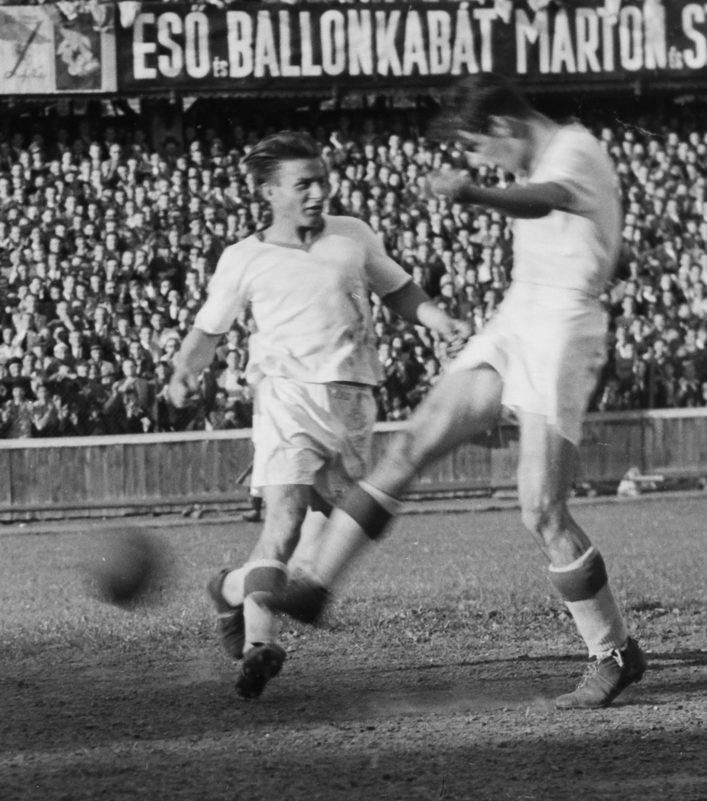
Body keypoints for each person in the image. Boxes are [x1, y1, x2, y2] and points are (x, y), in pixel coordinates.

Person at [271, 74, 646, 709]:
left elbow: (544, 198)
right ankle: (314, 584)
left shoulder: (575, 149)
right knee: (412, 443)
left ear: (502, 128)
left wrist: (473, 192)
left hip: (565, 329)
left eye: (476, 148)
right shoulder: (542, 153)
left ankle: (613, 652)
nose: (476, 163)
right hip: (519, 317)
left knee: (541, 510)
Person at [167, 131, 468, 700]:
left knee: (328, 535)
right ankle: (259, 645)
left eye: (322, 180)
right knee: (283, 521)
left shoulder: (352, 235)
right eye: (303, 184)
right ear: (269, 192)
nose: (317, 192)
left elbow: (399, 290)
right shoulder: (244, 258)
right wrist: (184, 372)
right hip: (287, 396)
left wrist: (441, 322)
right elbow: (207, 331)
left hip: (355, 397)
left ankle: (230, 588)